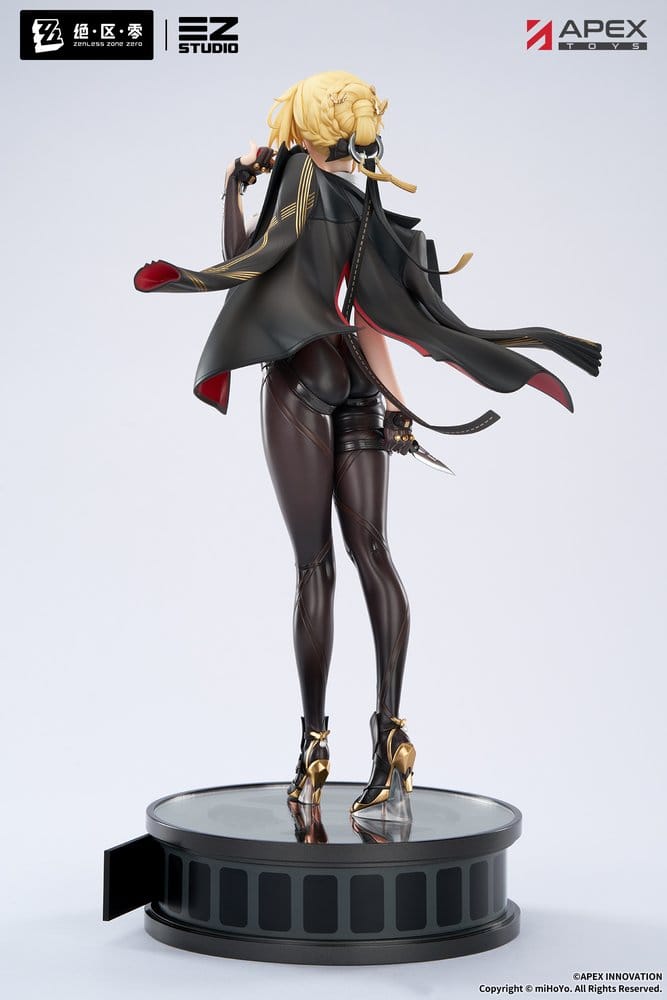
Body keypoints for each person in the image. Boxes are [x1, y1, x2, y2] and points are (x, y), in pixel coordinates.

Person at [134, 70, 601, 817]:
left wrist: (232, 186)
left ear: (303, 126)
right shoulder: (361, 204)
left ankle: (313, 749)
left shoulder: (295, 178)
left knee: (314, 567)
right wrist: (397, 408)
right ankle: (393, 743)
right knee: (375, 554)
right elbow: (375, 315)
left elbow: (245, 266)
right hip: (359, 376)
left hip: (304, 370)